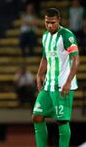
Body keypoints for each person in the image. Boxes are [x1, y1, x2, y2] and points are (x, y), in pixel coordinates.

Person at [32, 8, 79, 147]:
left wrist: (69, 82)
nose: (50, 25)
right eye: (47, 22)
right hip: (48, 85)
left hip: (62, 85)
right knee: (37, 116)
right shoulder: (45, 36)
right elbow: (45, 58)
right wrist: (39, 74)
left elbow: (76, 59)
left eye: (52, 22)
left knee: (62, 120)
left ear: (59, 20)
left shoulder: (67, 35)